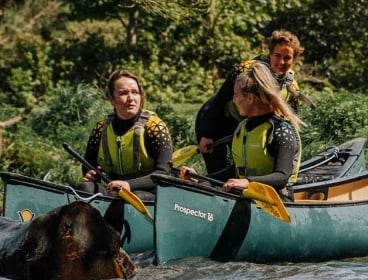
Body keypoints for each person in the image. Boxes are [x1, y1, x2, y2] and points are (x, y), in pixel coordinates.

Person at [194, 30, 306, 175]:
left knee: (243, 171)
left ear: (294, 59)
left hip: (246, 127)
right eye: (277, 56)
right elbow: (219, 100)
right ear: (270, 54)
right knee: (219, 172)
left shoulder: (292, 87)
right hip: (216, 122)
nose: (281, 62)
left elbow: (289, 120)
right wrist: (207, 134)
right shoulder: (245, 70)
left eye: (287, 58)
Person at [180, 61, 302, 195]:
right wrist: (201, 179)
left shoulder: (281, 131)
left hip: (277, 201)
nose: (234, 100)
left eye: (236, 95)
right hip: (247, 196)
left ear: (250, 98)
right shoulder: (243, 127)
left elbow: (281, 177)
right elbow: (236, 170)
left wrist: (247, 181)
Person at [81, 69, 174, 198]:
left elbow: (164, 173)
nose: (131, 98)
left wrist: (128, 185)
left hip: (148, 192)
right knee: (85, 188)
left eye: (135, 92)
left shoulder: (156, 127)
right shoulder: (100, 129)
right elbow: (88, 165)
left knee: (130, 198)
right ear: (112, 100)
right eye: (123, 93)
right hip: (112, 188)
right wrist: (91, 175)